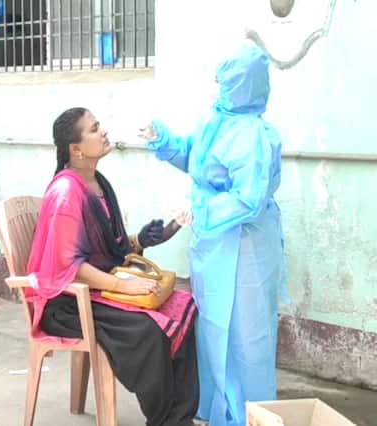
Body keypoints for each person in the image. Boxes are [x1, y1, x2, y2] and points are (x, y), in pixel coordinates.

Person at [140, 42, 288, 426]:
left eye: (226, 82)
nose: (218, 88)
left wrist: (202, 210)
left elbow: (248, 199)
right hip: (211, 244)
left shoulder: (254, 136)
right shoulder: (215, 118)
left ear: (243, 85)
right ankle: (217, 408)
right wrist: (164, 141)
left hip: (244, 247)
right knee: (211, 328)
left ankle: (250, 415)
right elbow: (196, 158)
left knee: (246, 336)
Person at [26, 107, 199, 426]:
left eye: (99, 125)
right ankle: (166, 420)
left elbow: (109, 249)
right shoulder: (66, 193)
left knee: (183, 306)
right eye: (94, 129)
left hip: (98, 289)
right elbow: (71, 267)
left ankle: (180, 416)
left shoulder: (97, 183)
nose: (103, 131)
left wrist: (145, 239)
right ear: (76, 150)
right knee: (148, 329)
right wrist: (123, 286)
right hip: (68, 303)